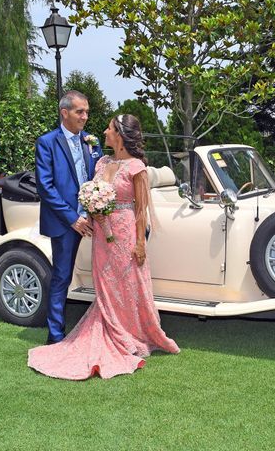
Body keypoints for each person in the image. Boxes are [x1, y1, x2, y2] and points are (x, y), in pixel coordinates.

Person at [28, 114, 179, 380]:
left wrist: (141, 243)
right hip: (101, 235)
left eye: (109, 128)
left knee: (128, 286)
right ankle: (109, 328)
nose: (105, 131)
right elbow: (91, 192)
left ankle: (131, 334)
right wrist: (93, 210)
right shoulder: (102, 161)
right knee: (107, 288)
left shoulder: (136, 168)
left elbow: (141, 210)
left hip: (125, 234)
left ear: (119, 135)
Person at [35, 90, 101, 345]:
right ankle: (55, 335)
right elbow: (46, 187)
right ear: (64, 113)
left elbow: (98, 177)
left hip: (95, 219)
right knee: (62, 276)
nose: (85, 117)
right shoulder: (47, 142)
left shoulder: (90, 141)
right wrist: (73, 218)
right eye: (79, 112)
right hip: (65, 223)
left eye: (86, 111)